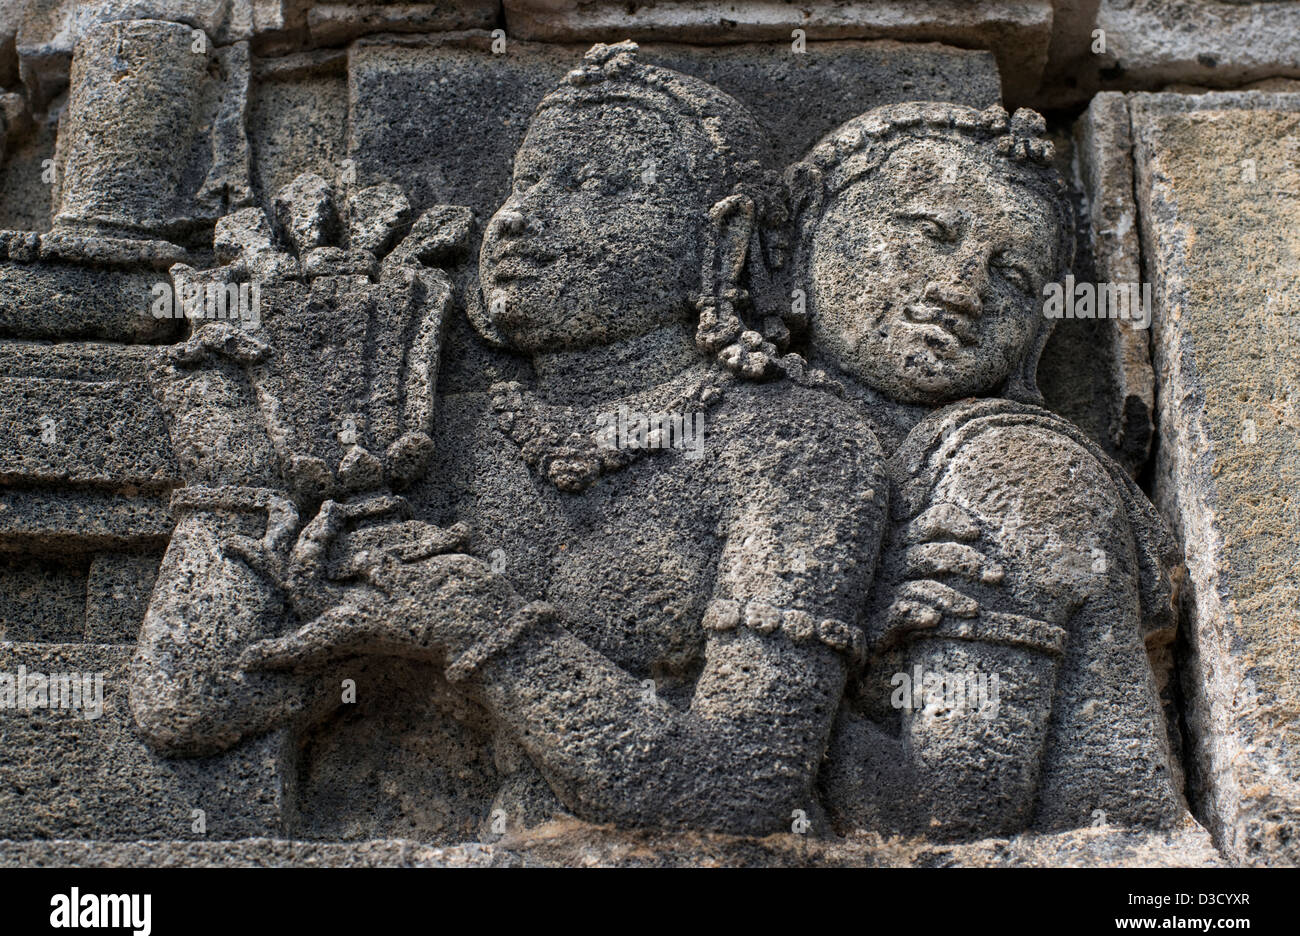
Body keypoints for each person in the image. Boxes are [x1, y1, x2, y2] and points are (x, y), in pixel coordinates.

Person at [211, 43, 891, 836]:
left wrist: (482, 624)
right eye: (525, 183)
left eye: (596, 188)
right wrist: (236, 444)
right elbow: (195, 709)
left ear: (722, 243)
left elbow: (742, 786)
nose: (519, 219)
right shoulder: (431, 436)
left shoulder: (794, 445)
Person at [783, 102, 1186, 838]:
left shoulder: (1013, 470)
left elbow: (952, 807)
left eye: (1015, 276)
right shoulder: (737, 438)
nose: (965, 290)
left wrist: (804, 637)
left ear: (1037, 341)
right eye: (932, 233)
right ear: (797, 234)